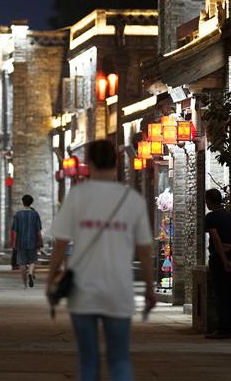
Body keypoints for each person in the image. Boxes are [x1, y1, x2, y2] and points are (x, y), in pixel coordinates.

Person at [46, 140, 156, 381]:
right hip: (118, 289)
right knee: (120, 359)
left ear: (89, 163)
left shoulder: (77, 196)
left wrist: (50, 280)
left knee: (88, 361)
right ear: (116, 163)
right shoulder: (132, 199)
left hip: (82, 290)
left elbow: (61, 244)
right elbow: (145, 250)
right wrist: (150, 287)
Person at [204, 188, 231, 339]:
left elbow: (215, 238)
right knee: (230, 293)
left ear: (209, 201)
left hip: (219, 259)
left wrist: (224, 258)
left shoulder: (211, 217)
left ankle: (223, 329)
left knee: (220, 294)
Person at [12, 195, 43, 289]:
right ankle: (30, 272)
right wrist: (41, 241)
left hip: (21, 242)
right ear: (31, 202)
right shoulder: (35, 214)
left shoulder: (18, 214)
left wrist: (14, 242)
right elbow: (38, 230)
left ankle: (25, 284)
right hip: (33, 241)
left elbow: (15, 230)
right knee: (32, 260)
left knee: (22, 263)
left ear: (23, 202)